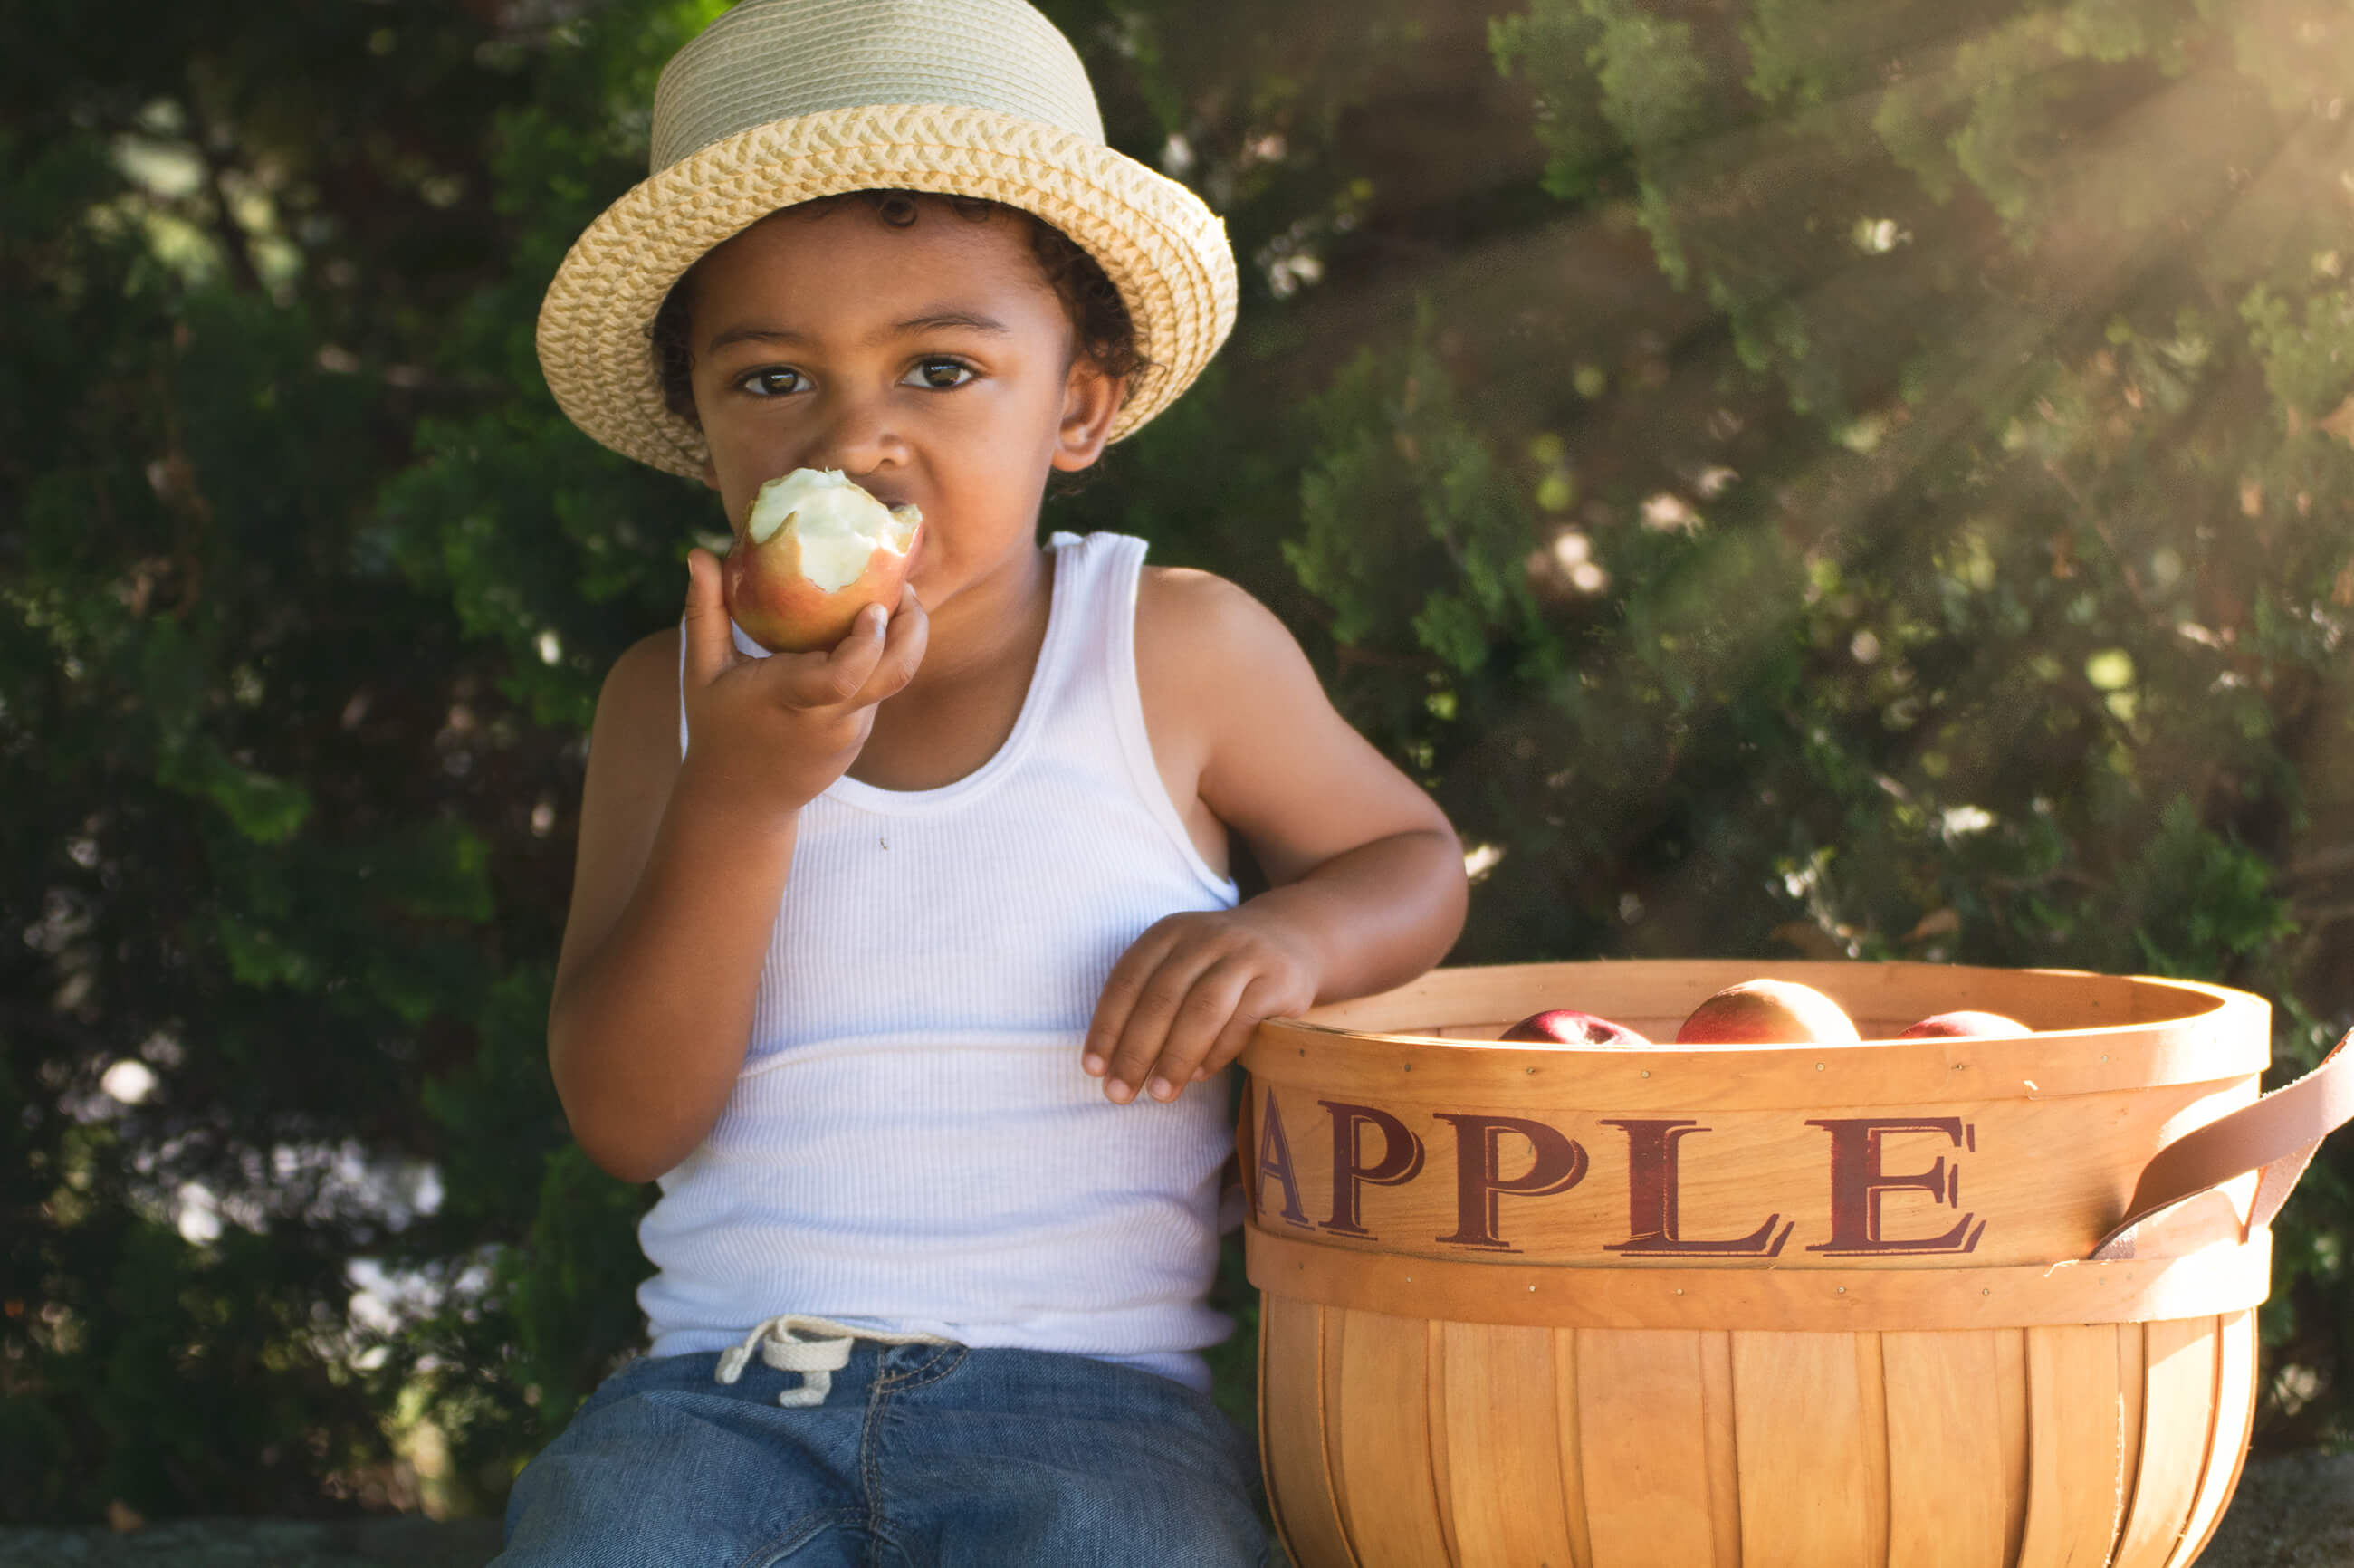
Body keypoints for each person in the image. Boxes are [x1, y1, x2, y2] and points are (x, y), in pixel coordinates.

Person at [502, 1, 1468, 1563]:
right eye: (770, 384)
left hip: (1095, 1405)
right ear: (700, 434)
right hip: (724, 1395)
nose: (858, 438)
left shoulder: (1172, 652)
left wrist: (1294, 943)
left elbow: (1412, 860)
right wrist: (741, 797)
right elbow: (627, 1115)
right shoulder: (667, 706)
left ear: (1077, 405)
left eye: (940, 367)